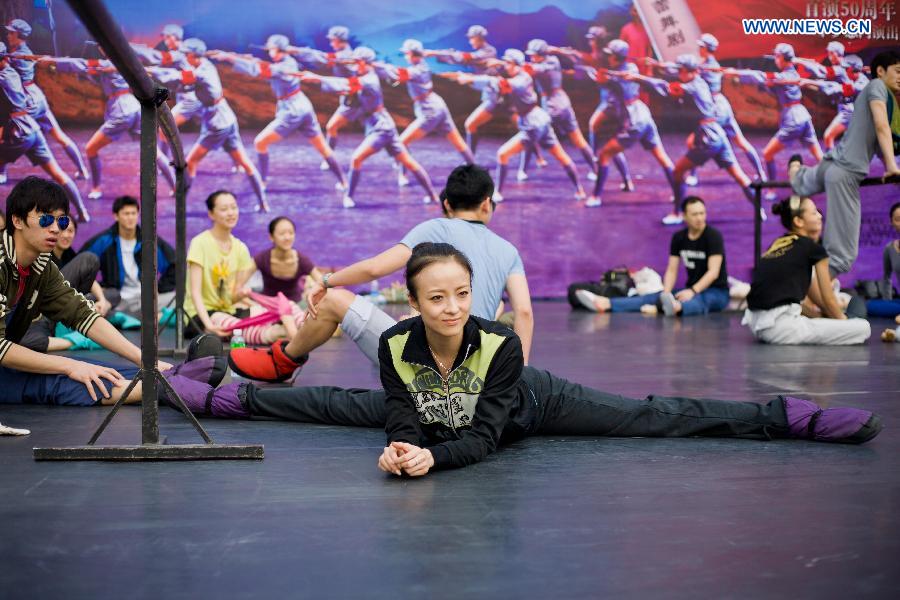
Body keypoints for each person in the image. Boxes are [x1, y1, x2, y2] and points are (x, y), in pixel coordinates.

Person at [159, 242, 882, 477]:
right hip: (438, 410)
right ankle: (222, 391)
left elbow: (488, 433)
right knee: (333, 406)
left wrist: (432, 457)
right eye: (436, 297)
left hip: (525, 406)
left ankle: (786, 416)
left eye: (461, 294)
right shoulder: (400, 345)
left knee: (651, 415)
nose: (451, 307)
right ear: (414, 301)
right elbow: (399, 411)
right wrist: (401, 443)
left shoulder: (498, 343)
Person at [228, 164, 533, 382]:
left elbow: (375, 267)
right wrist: (517, 376)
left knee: (334, 300)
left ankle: (283, 362)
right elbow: (524, 312)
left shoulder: (435, 228)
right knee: (492, 311)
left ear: (446, 204)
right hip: (473, 371)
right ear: (486, 204)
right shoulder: (508, 250)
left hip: (427, 363)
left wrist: (326, 281)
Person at [0, 176, 204, 408]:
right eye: (46, 219)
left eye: (61, 221)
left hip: (12, 354)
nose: (56, 228)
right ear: (17, 220)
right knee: (66, 380)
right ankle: (175, 388)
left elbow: (83, 315)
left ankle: (176, 380)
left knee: (107, 370)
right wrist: (70, 365)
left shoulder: (41, 265)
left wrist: (146, 361)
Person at [788, 50, 900, 278]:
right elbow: (881, 128)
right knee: (841, 258)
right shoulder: (877, 87)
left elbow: (878, 140)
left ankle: (795, 168)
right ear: (880, 71)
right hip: (844, 173)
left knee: (800, 184)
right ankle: (803, 295)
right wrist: (891, 167)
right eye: (898, 71)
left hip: (832, 162)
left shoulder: (878, 96)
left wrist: (890, 165)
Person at [297, 47, 439, 208]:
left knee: (357, 158)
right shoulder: (367, 75)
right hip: (383, 125)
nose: (354, 66)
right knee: (408, 162)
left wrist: (317, 78)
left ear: (365, 63)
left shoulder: (369, 80)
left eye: (357, 63)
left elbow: (348, 84)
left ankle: (348, 197)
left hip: (381, 128)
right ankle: (433, 196)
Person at [443, 49, 585, 203]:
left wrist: (471, 78)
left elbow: (498, 83)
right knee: (561, 156)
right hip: (541, 119)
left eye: (509, 63)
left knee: (502, 154)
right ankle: (580, 190)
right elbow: (495, 84)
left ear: (517, 65)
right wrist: (469, 79)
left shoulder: (521, 80)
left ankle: (498, 193)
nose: (506, 66)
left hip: (533, 124)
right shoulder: (520, 76)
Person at [147, 38, 269, 212]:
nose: (184, 58)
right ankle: (263, 203)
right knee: (245, 162)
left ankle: (181, 200)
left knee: (190, 162)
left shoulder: (202, 73)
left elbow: (178, 78)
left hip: (216, 124)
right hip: (227, 118)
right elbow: (184, 84)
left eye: (186, 55)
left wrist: (150, 72)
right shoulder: (206, 65)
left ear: (193, 56)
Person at [209, 35, 346, 189]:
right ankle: (343, 182)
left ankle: (262, 182)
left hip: (293, 110)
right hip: (302, 105)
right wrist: (237, 57)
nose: (270, 52)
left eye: (272, 49)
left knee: (260, 142)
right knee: (323, 148)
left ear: (280, 50)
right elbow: (263, 65)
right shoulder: (287, 62)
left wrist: (230, 58)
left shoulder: (284, 67)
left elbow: (260, 70)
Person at [636, 54, 759, 224]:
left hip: (708, 136)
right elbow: (672, 75)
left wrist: (639, 78)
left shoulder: (693, 87)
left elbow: (666, 87)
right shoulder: (700, 82)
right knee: (740, 176)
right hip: (717, 133)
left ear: (692, 72)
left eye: (682, 71)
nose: (679, 74)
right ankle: (759, 210)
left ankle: (678, 213)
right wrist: (658, 65)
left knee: (678, 171)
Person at [42, 49, 176, 200]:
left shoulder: (109, 63)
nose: (101, 48)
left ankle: (96, 188)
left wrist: (54, 62)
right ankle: (176, 187)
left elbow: (80, 64)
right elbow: (91, 72)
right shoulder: (122, 62)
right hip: (135, 107)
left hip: (122, 110)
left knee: (91, 148)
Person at [741, 195, 870, 345]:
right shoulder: (813, 249)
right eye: (814, 213)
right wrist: (844, 323)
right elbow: (828, 299)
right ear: (798, 221)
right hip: (781, 328)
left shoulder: (777, 245)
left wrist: (822, 317)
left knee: (829, 316)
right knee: (863, 327)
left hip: (756, 325)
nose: (820, 216)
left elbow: (814, 296)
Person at [575, 196, 730, 316]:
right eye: (695, 214)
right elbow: (672, 269)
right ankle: (607, 303)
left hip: (716, 292)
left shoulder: (713, 236)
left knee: (702, 301)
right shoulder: (679, 238)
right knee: (652, 297)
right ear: (684, 216)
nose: (700, 218)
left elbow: (713, 272)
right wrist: (666, 293)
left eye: (702, 213)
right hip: (691, 289)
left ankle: (674, 308)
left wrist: (693, 291)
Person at [0, 43, 89, 222]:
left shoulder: (2, 79)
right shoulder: (12, 72)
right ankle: (82, 212)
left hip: (18, 131)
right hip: (32, 127)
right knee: (57, 173)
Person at [584, 40, 676, 210]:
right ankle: (677, 192)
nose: (608, 58)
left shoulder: (620, 76)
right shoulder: (631, 67)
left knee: (604, 155)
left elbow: (608, 81)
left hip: (633, 120)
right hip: (643, 113)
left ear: (616, 57)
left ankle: (596, 197)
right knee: (661, 156)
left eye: (611, 55)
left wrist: (602, 78)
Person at [724, 43, 824, 199]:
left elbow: (759, 77)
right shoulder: (790, 74)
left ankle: (771, 189)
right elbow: (766, 81)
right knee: (818, 154)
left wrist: (736, 73)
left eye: (777, 56)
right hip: (802, 115)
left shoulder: (785, 77)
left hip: (793, 118)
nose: (775, 59)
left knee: (768, 153)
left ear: (784, 58)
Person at [372, 38, 475, 185]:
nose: (406, 57)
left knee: (401, 142)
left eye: (407, 53)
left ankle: (403, 174)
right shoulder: (421, 66)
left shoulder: (417, 70)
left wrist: (373, 65)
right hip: (436, 104)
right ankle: (475, 171)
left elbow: (397, 72)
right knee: (457, 142)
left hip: (429, 110)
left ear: (413, 54)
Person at [1, 19, 88, 184]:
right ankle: (82, 169)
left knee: (9, 127)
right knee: (59, 136)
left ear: (19, 35)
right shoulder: (16, 52)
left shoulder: (20, 55)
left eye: (11, 33)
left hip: (28, 100)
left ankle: (1, 172)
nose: (8, 35)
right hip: (37, 96)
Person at [80, 195, 177, 318]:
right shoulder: (105, 240)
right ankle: (146, 317)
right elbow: (81, 265)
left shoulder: (148, 240)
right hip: (117, 300)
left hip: (145, 300)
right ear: (116, 216)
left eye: (133, 213)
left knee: (179, 299)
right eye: (126, 214)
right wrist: (99, 288)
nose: (131, 217)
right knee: (97, 306)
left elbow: (175, 264)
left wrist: (160, 289)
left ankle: (134, 318)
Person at [519, 39, 596, 178]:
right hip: (563, 101)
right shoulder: (554, 60)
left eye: (534, 55)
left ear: (542, 54)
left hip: (552, 105)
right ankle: (595, 170)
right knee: (578, 139)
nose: (532, 58)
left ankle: (523, 170)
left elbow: (537, 69)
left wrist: (518, 66)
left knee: (531, 133)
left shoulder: (545, 65)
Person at [184, 190, 255, 338]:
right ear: (211, 214)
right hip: (201, 314)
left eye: (234, 207)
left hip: (228, 312)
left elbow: (233, 297)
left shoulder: (241, 248)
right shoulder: (199, 243)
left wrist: (242, 295)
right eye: (224, 209)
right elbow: (195, 293)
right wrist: (209, 325)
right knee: (242, 328)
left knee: (268, 314)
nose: (231, 213)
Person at [423, 25, 503, 155]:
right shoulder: (481, 52)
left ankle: (470, 157)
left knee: (471, 124)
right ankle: (470, 157)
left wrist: (434, 53)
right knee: (473, 124)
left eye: (472, 38)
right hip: (492, 94)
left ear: (479, 38)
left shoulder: (488, 52)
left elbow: (464, 57)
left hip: (499, 95)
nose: (470, 41)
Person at [130, 24, 205, 159]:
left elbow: (156, 57)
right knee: (214, 126)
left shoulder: (181, 53)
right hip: (192, 97)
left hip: (191, 99)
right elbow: (160, 66)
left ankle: (166, 162)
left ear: (174, 37)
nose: (165, 41)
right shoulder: (179, 53)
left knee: (165, 129)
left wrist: (130, 47)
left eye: (166, 38)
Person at [287, 25, 357, 162]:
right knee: (332, 127)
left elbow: (321, 57)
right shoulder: (342, 55)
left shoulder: (345, 56)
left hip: (359, 99)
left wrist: (296, 51)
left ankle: (329, 158)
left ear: (340, 40)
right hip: (349, 98)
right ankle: (329, 158)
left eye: (333, 40)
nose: (331, 44)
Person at [254, 216, 323, 302]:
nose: (287, 237)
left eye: (291, 233)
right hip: (268, 304)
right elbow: (240, 283)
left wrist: (311, 291)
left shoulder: (302, 260)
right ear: (271, 237)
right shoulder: (262, 258)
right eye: (282, 234)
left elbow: (322, 281)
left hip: (295, 304)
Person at [869, 202, 900, 324]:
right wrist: (887, 303)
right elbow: (886, 277)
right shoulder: (889, 249)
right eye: (898, 219)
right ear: (892, 222)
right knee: (869, 305)